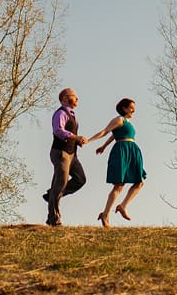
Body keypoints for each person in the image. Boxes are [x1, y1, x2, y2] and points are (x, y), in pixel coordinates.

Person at [86, 97, 147, 227]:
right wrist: (90, 140)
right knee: (119, 185)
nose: (133, 110)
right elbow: (106, 131)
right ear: (124, 108)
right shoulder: (119, 119)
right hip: (122, 151)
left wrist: (104, 146)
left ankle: (123, 206)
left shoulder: (127, 123)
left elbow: (113, 135)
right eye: (131, 107)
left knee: (140, 182)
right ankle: (106, 214)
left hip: (132, 151)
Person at [44, 87, 88, 227]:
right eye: (73, 96)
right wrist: (75, 137)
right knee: (60, 183)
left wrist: (77, 141)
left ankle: (52, 194)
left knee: (80, 179)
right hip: (61, 153)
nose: (76, 99)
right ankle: (54, 219)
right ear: (64, 98)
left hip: (72, 154)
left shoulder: (72, 115)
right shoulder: (60, 113)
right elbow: (58, 130)